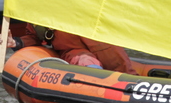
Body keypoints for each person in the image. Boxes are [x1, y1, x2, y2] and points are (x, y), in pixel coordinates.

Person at [8, 23, 137, 74]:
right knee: (85, 61)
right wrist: (15, 42)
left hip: (102, 42)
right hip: (72, 50)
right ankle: (96, 84)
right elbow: (34, 38)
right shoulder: (38, 18)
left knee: (123, 69)